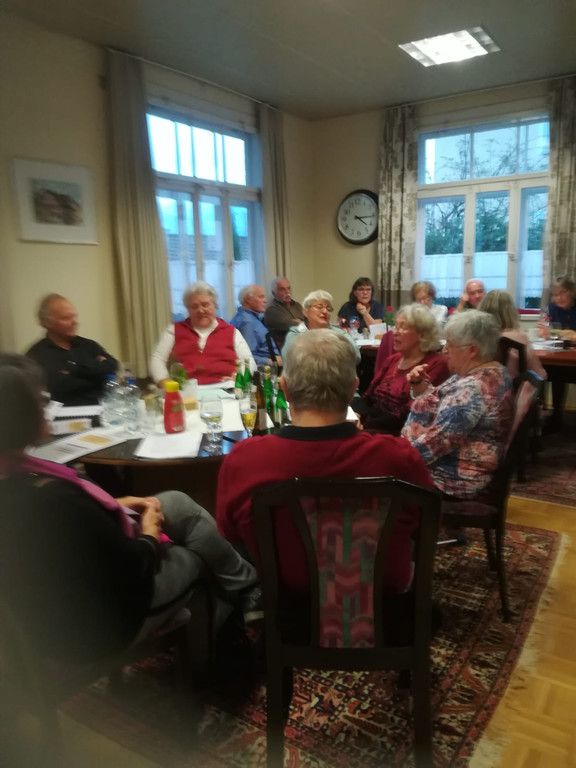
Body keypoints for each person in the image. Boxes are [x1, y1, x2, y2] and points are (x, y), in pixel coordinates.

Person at [0, 354, 260, 665]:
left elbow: (80, 528)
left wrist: (116, 504)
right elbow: (131, 568)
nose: (49, 403)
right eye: (42, 398)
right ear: (22, 414)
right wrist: (149, 534)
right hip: (99, 621)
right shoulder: (48, 495)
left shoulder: (23, 474)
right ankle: (213, 660)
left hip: (65, 596)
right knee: (197, 555)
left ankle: (247, 585)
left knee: (174, 502)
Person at [216, 330, 434, 600]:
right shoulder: (398, 457)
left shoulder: (244, 460)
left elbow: (231, 535)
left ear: (284, 387)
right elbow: (425, 526)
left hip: (288, 605)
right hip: (382, 603)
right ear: (353, 388)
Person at [402, 310, 514, 498]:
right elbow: (443, 403)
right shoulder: (493, 372)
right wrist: (420, 385)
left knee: (371, 470)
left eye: (450, 345)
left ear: (472, 350)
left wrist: (394, 457)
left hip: (449, 478)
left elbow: (435, 444)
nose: (444, 350)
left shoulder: (471, 389)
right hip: (447, 464)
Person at [358, 303, 449, 435]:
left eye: (403, 327)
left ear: (422, 334)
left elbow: (408, 414)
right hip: (371, 427)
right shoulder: (393, 360)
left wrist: (364, 429)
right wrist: (357, 416)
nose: (395, 332)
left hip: (399, 434)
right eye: (396, 326)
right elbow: (368, 396)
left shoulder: (436, 364)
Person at [150, 281, 256, 386]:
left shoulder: (232, 332)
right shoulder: (174, 330)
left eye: (205, 305)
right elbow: (157, 359)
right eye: (194, 306)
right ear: (188, 310)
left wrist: (238, 377)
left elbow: (249, 361)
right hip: (187, 391)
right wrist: (165, 382)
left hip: (225, 389)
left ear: (215, 305)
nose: (200, 310)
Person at [26, 293, 118, 406]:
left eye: (74, 317)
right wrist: (95, 371)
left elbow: (112, 366)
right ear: (47, 323)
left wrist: (74, 370)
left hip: (101, 409)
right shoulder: (35, 355)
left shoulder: (88, 345)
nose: (74, 322)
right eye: (66, 318)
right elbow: (56, 389)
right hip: (62, 414)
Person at [480, 289, 547, 380]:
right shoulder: (518, 337)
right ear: (511, 311)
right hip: (513, 387)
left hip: (483, 386)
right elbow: (540, 374)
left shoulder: (478, 338)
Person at [281, 289, 360, 362]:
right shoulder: (296, 334)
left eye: (328, 308)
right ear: (305, 312)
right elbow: (288, 358)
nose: (325, 311)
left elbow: (356, 355)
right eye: (319, 307)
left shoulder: (339, 333)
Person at [539, 276, 576, 431]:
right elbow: (544, 329)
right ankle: (555, 417)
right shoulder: (551, 308)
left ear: (572, 292)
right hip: (559, 356)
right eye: (555, 294)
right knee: (552, 374)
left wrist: (562, 333)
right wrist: (545, 329)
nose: (558, 298)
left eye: (562, 293)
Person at [230, 284, 280, 366]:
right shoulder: (247, 322)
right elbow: (247, 356)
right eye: (261, 297)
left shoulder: (251, 317)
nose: (265, 301)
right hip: (266, 368)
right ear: (248, 300)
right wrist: (271, 361)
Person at [263, 277, 305, 348]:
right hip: (287, 348)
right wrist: (300, 322)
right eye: (282, 289)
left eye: (288, 288)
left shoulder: (297, 305)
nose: (287, 292)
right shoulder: (271, 310)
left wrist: (301, 321)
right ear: (274, 293)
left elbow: (308, 321)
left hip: (303, 343)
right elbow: (296, 326)